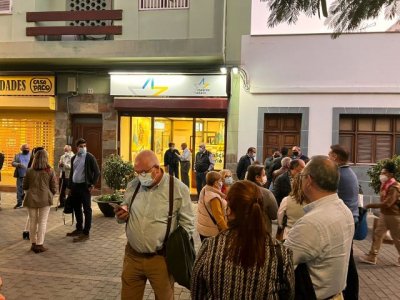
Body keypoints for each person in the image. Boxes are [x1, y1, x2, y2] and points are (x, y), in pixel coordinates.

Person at [191, 180, 294, 299]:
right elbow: (288, 294)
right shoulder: (281, 253)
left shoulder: (210, 247)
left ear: (229, 210)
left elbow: (197, 291)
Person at [114, 150, 195, 300]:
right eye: (137, 172)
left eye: (143, 172)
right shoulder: (133, 185)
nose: (140, 176)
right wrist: (121, 216)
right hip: (132, 257)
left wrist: (175, 247)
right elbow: (124, 209)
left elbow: (188, 224)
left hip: (160, 260)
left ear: (157, 169)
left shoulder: (178, 189)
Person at [284, 155, 354, 300]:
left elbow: (281, 265)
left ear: (308, 180)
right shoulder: (344, 210)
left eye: (302, 176)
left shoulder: (311, 224)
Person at [328, 144, 360, 299]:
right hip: (351, 219)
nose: (328, 156)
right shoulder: (349, 172)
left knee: (346, 260)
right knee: (348, 257)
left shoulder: (338, 174)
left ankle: (350, 293)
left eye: (330, 154)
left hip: (344, 221)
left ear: (335, 157)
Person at [359, 161, 400, 266]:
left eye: (384, 172)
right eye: (382, 172)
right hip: (384, 214)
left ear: (390, 174)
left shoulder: (394, 187)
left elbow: (388, 204)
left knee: (397, 239)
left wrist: (370, 205)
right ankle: (372, 257)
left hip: (393, 216)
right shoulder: (386, 185)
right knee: (378, 235)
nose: (382, 175)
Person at [66, 138, 100, 243]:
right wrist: (70, 187)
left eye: (85, 146)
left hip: (85, 187)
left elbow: (97, 172)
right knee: (77, 208)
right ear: (77, 148)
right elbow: (72, 173)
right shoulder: (74, 158)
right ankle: (79, 228)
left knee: (87, 209)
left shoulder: (90, 157)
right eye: (81, 146)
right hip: (75, 187)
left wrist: (92, 184)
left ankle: (86, 233)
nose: (83, 148)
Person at [22, 149, 56, 253]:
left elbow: (25, 186)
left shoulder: (29, 171)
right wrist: (50, 194)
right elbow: (54, 188)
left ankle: (33, 244)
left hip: (31, 199)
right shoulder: (50, 171)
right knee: (42, 222)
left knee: (33, 221)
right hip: (45, 199)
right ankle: (39, 244)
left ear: (35, 158)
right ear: (46, 158)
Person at [246, 164, 278, 234]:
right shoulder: (266, 193)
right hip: (262, 231)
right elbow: (274, 215)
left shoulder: (241, 190)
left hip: (242, 230)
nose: (265, 177)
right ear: (257, 177)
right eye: (263, 175)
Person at [197, 171, 227, 241]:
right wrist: (226, 230)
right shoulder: (213, 197)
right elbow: (218, 217)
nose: (221, 182)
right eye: (220, 181)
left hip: (204, 227)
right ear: (215, 183)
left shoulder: (205, 189)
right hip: (211, 230)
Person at [277, 174, 306, 240]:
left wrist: (280, 225)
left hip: (289, 234)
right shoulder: (312, 200)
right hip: (306, 235)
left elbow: (280, 215)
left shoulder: (286, 200)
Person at [12, 144, 31, 209]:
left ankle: (28, 203)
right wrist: (18, 164)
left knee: (29, 190)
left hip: (29, 176)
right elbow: (13, 163)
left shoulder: (32, 156)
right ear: (21, 149)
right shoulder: (17, 155)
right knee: (19, 190)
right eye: (25, 149)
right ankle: (19, 203)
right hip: (20, 175)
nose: (26, 150)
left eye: (28, 148)